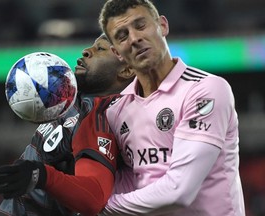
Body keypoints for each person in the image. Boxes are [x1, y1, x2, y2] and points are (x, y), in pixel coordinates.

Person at [98, 0, 245, 215]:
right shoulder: (116, 110)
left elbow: (179, 191)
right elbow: (128, 181)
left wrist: (99, 207)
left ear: (162, 26)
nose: (135, 39)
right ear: (117, 52)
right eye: (122, 36)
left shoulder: (205, 90)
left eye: (141, 25)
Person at [0, 34, 135, 216]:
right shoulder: (69, 100)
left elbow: (94, 197)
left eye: (100, 49)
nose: (86, 51)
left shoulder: (103, 116)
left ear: (127, 70)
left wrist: (40, 175)